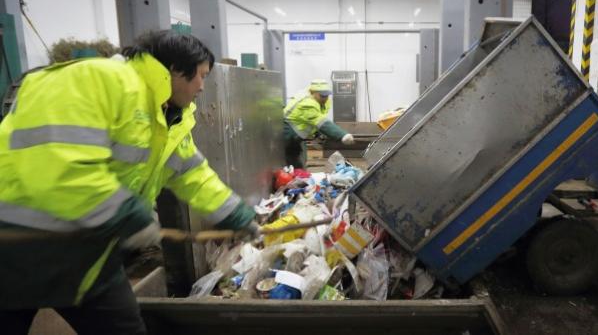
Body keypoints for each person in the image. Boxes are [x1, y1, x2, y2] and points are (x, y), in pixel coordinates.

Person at [0, 31, 258, 334]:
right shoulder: (99, 79)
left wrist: (233, 213)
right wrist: (126, 215)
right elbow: (60, 162)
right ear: (176, 69)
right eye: (200, 76)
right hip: (18, 245)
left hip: (90, 252)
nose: (202, 87)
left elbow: (192, 173)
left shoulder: (168, 115)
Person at [283, 79, 354, 168]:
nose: (325, 98)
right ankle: (295, 177)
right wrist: (342, 135)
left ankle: (299, 175)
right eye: (322, 96)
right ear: (313, 92)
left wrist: (317, 133)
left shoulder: (322, 101)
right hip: (288, 134)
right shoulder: (307, 103)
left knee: (295, 159)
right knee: (290, 160)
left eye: (326, 95)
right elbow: (321, 122)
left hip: (296, 135)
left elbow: (316, 119)